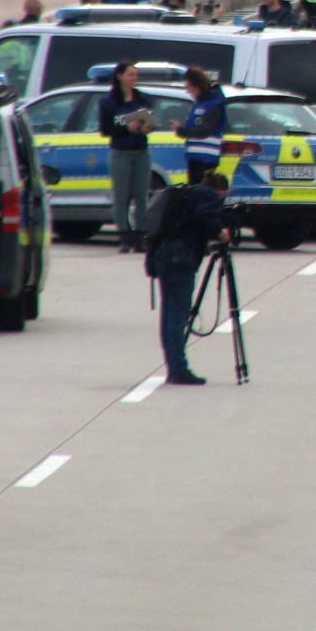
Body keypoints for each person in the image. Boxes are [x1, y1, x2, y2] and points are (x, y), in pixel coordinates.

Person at [143, 159, 225, 387]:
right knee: (177, 315)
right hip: (179, 256)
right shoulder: (209, 196)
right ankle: (178, 368)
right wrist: (220, 232)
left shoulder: (188, 193)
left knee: (169, 313)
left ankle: (173, 365)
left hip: (163, 253)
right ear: (220, 190)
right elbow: (204, 218)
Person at [99, 62, 155, 253]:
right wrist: (125, 127)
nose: (134, 78)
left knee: (141, 195)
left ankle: (140, 236)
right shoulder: (108, 102)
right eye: (130, 75)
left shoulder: (143, 99)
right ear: (120, 76)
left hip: (140, 152)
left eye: (136, 75)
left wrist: (148, 126)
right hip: (120, 153)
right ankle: (123, 236)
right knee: (121, 196)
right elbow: (105, 130)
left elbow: (150, 121)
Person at [172, 66, 226, 181]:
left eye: (188, 87)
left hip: (207, 159)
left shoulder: (214, 105)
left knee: (202, 194)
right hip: (195, 158)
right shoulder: (199, 104)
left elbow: (204, 131)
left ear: (197, 86)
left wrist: (181, 130)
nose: (188, 91)